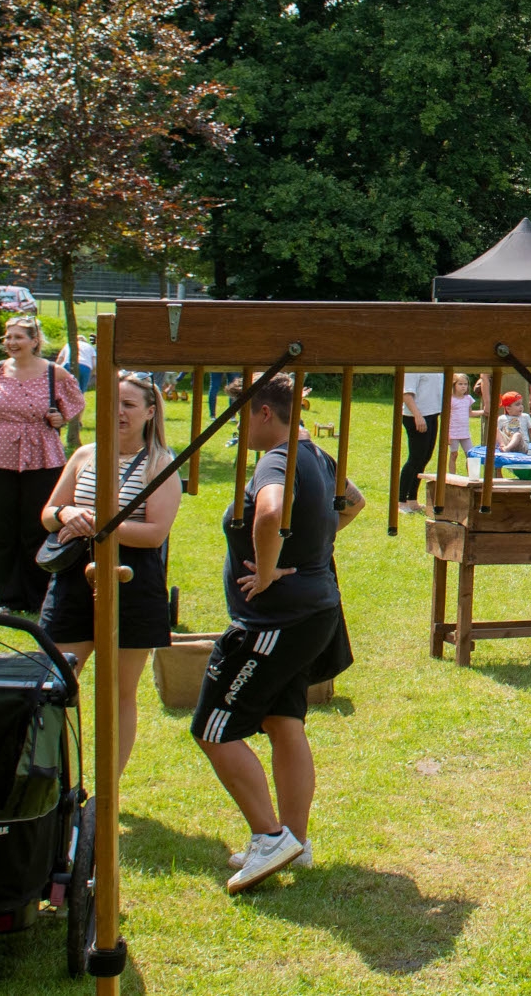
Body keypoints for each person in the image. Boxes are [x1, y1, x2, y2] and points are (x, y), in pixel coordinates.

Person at [195, 373, 363, 893]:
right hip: (313, 611)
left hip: (276, 622)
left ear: (264, 412)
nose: (238, 426)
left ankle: (270, 838)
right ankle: (295, 840)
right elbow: (353, 502)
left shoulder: (275, 459)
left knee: (214, 728)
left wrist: (268, 570)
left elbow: (268, 513)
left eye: (241, 412)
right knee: (282, 720)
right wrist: (310, 549)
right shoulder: (316, 454)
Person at [39, 373, 178, 775]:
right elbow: (49, 514)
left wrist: (100, 524)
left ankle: (107, 787)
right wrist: (67, 514)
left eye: (129, 405)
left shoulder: (160, 464)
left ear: (150, 413)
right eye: (111, 402)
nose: (118, 412)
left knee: (119, 692)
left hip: (131, 580)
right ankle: (57, 776)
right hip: (73, 579)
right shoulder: (85, 454)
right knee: (56, 682)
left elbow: (154, 534)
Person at [0, 315, 84, 613]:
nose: (12, 343)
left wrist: (61, 418)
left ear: (35, 341)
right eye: (8, 337)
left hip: (43, 457)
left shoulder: (55, 374)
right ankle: (7, 598)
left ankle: (38, 596)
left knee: (36, 526)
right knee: (0, 529)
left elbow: (75, 404)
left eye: (18, 337)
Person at [397, 369, 444, 514]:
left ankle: (412, 499)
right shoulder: (414, 367)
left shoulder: (437, 366)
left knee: (424, 458)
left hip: (432, 415)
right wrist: (418, 416)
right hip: (416, 417)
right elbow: (406, 394)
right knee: (415, 459)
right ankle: (400, 501)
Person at [444, 373, 475, 474]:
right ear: (454, 385)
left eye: (465, 384)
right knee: (454, 454)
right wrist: (447, 434)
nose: (463, 386)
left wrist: (484, 412)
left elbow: (470, 413)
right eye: (460, 384)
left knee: (470, 454)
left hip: (465, 433)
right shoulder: (450, 399)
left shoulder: (468, 399)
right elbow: (446, 417)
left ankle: (471, 476)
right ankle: (452, 476)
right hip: (453, 432)